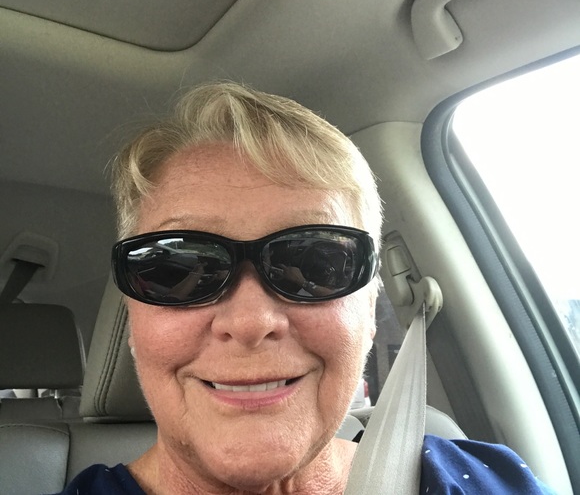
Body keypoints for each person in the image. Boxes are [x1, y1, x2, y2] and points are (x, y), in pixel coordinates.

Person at [56, 82, 555, 494]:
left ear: (370, 304)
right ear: (134, 318)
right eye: (177, 270)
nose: (250, 321)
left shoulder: (486, 481)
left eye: (317, 263)